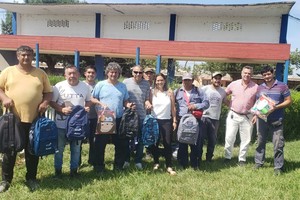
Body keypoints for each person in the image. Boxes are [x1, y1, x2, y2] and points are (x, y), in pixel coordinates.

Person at [0, 45, 53, 192]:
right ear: (17, 56)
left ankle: (31, 178)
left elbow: (48, 92)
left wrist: (45, 102)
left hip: (34, 120)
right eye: (23, 55)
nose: (26, 58)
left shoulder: (40, 73)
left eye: (29, 55)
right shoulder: (8, 72)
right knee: (10, 152)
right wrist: (4, 97)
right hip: (12, 119)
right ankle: (6, 180)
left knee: (32, 151)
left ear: (33, 57)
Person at [50, 65, 92, 178]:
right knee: (59, 149)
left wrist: (87, 107)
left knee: (76, 149)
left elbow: (89, 100)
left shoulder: (85, 87)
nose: (72, 76)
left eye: (74, 73)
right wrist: (61, 109)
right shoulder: (58, 86)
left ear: (78, 74)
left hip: (78, 125)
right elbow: (51, 102)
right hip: (61, 124)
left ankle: (74, 171)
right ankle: (58, 172)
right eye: (69, 73)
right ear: (65, 75)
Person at [91, 62, 131, 172]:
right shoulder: (101, 85)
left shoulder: (122, 86)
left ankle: (118, 166)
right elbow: (92, 98)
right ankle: (99, 167)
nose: (113, 74)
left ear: (119, 74)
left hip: (118, 118)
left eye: (116, 72)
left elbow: (125, 101)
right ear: (107, 73)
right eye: (111, 72)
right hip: (105, 118)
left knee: (120, 144)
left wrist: (128, 105)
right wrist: (100, 103)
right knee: (100, 144)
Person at [254, 65, 292, 175]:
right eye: (264, 75)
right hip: (262, 119)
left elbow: (288, 101)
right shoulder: (260, 87)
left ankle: (278, 167)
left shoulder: (282, 86)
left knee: (278, 144)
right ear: (262, 76)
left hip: (277, 120)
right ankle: (258, 162)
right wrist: (256, 115)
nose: (267, 76)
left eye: (269, 74)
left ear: (273, 73)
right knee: (260, 142)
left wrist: (276, 106)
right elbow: (257, 104)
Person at [224, 66, 258, 166]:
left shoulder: (256, 87)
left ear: (252, 75)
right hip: (233, 115)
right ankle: (227, 157)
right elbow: (224, 94)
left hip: (248, 116)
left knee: (246, 139)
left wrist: (256, 114)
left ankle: (242, 159)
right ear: (241, 73)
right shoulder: (233, 84)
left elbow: (258, 102)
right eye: (245, 73)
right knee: (229, 137)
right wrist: (229, 104)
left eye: (249, 73)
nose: (247, 75)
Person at [175, 73, 209, 169]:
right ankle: (183, 163)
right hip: (182, 120)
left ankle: (195, 164)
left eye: (189, 80)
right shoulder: (177, 91)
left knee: (196, 143)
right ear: (182, 80)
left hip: (195, 120)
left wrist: (196, 106)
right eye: (185, 80)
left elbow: (206, 103)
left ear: (192, 80)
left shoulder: (199, 91)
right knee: (182, 142)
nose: (186, 82)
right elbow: (172, 102)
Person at [123, 65, 152, 170]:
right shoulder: (126, 82)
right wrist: (128, 105)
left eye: (140, 72)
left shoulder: (146, 84)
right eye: (136, 72)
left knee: (140, 139)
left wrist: (148, 103)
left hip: (141, 116)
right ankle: (126, 159)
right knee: (127, 138)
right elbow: (123, 98)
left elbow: (146, 99)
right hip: (129, 115)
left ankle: (138, 160)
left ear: (143, 73)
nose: (138, 74)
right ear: (132, 72)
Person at [149, 73, 177, 175]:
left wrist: (174, 120)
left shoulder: (169, 92)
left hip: (166, 121)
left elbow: (173, 108)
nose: (159, 82)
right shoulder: (152, 92)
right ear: (155, 81)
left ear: (164, 81)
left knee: (167, 143)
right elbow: (148, 103)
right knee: (155, 143)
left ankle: (169, 165)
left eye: (161, 80)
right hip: (155, 120)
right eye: (157, 80)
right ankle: (156, 162)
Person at [201, 72, 227, 162]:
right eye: (215, 78)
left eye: (219, 78)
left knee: (212, 140)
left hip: (215, 118)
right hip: (204, 117)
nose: (217, 80)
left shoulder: (223, 91)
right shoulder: (204, 89)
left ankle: (209, 159)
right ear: (211, 79)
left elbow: (226, 102)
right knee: (200, 138)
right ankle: (198, 157)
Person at [79, 65, 98, 166]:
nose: (91, 74)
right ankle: (77, 162)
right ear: (85, 73)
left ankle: (92, 160)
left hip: (95, 117)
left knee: (93, 141)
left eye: (93, 72)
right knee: (79, 140)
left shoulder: (99, 86)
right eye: (89, 72)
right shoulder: (80, 85)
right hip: (82, 118)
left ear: (96, 74)